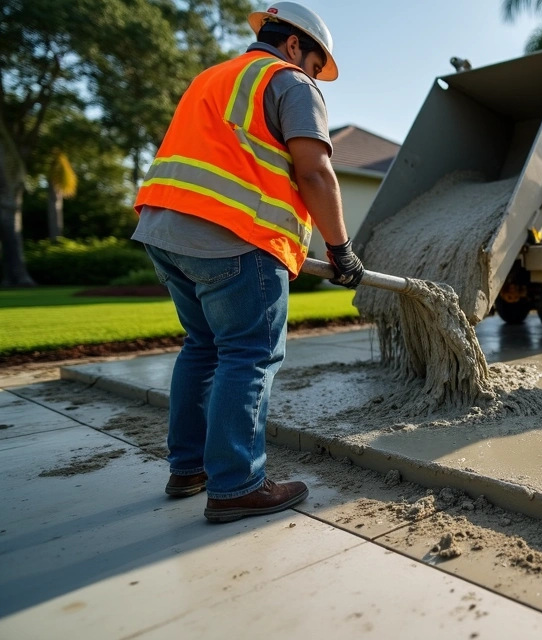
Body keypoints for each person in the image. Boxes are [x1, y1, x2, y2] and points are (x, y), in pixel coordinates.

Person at [131, 2, 365, 523]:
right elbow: (315, 173)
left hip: (165, 231)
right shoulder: (290, 81)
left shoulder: (211, 78)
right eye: (314, 63)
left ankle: (188, 468)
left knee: (203, 347)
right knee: (249, 354)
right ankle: (237, 484)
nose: (314, 75)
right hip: (234, 238)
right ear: (293, 45)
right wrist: (341, 248)